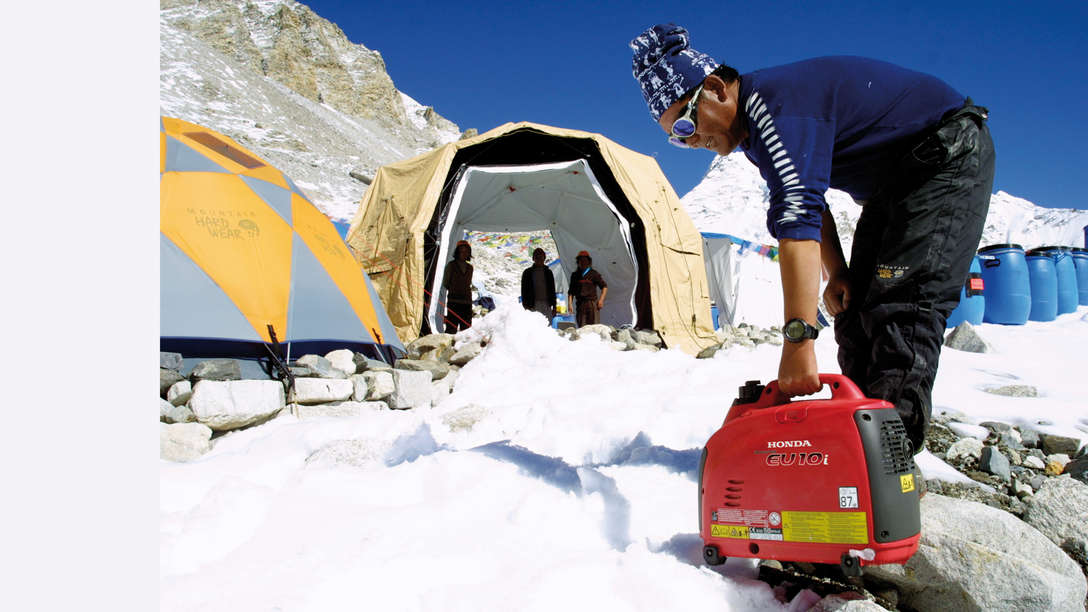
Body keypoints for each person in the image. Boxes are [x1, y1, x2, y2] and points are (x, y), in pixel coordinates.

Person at [630, 24, 995, 455]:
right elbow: (809, 200)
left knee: (903, 305)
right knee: (855, 307)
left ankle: (888, 465)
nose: (688, 140)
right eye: (676, 137)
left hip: (944, 153)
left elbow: (797, 217)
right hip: (897, 181)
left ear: (714, 88)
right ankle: (856, 448)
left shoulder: (775, 108)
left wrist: (798, 341)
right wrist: (837, 272)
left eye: (686, 122)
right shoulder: (758, 133)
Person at [568, 250, 608, 327]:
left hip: (592, 304)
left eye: (585, 260)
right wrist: (570, 304)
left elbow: (604, 287)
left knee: (594, 327)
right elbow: (571, 291)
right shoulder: (575, 275)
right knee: (582, 328)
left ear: (589, 261)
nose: (583, 262)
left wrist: (601, 300)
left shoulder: (594, 274)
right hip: (580, 304)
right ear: (578, 262)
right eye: (581, 260)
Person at [443, 240, 474, 332]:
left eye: (467, 252)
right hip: (454, 302)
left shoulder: (470, 268)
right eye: (462, 251)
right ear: (457, 252)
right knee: (451, 327)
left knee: (466, 328)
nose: (464, 254)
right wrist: (455, 289)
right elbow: (446, 283)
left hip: (467, 302)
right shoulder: (451, 265)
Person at [521, 248, 557, 325]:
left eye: (541, 257)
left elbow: (552, 290)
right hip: (533, 305)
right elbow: (524, 291)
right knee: (534, 327)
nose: (539, 259)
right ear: (533, 258)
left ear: (544, 258)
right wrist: (526, 306)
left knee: (547, 326)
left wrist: (554, 306)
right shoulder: (527, 273)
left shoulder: (548, 272)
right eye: (537, 257)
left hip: (546, 304)